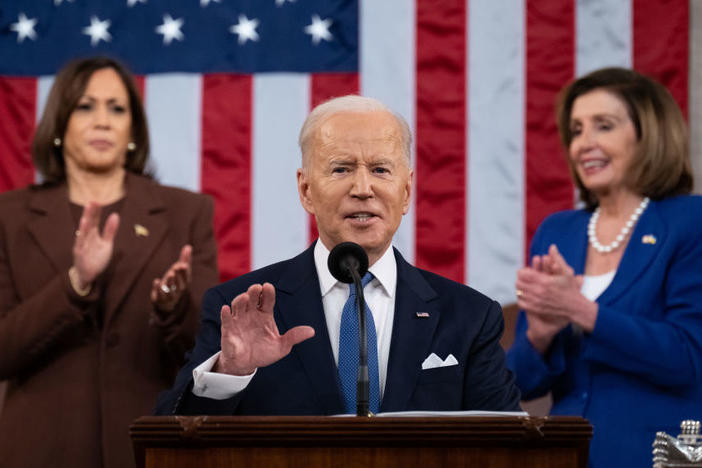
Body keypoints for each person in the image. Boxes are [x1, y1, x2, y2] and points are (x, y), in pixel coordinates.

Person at [155, 95, 520, 416]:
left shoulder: (470, 318)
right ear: (306, 190)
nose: (363, 189)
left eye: (380, 170)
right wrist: (229, 374)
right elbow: (175, 439)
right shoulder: (243, 309)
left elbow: (511, 449)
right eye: (341, 169)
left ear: (406, 191)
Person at [0, 57, 219, 468]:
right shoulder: (9, 217)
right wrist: (75, 284)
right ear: (59, 123)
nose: (102, 121)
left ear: (133, 129)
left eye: (116, 108)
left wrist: (174, 308)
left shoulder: (186, 212)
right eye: (86, 106)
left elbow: (209, 354)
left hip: (149, 450)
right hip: (39, 450)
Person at [506, 67, 702, 468]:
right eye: (576, 130)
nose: (584, 144)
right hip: (562, 455)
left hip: (664, 455)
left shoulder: (690, 221)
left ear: (648, 135)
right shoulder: (558, 231)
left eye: (604, 126)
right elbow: (519, 385)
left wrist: (581, 311)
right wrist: (540, 335)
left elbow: (688, 359)